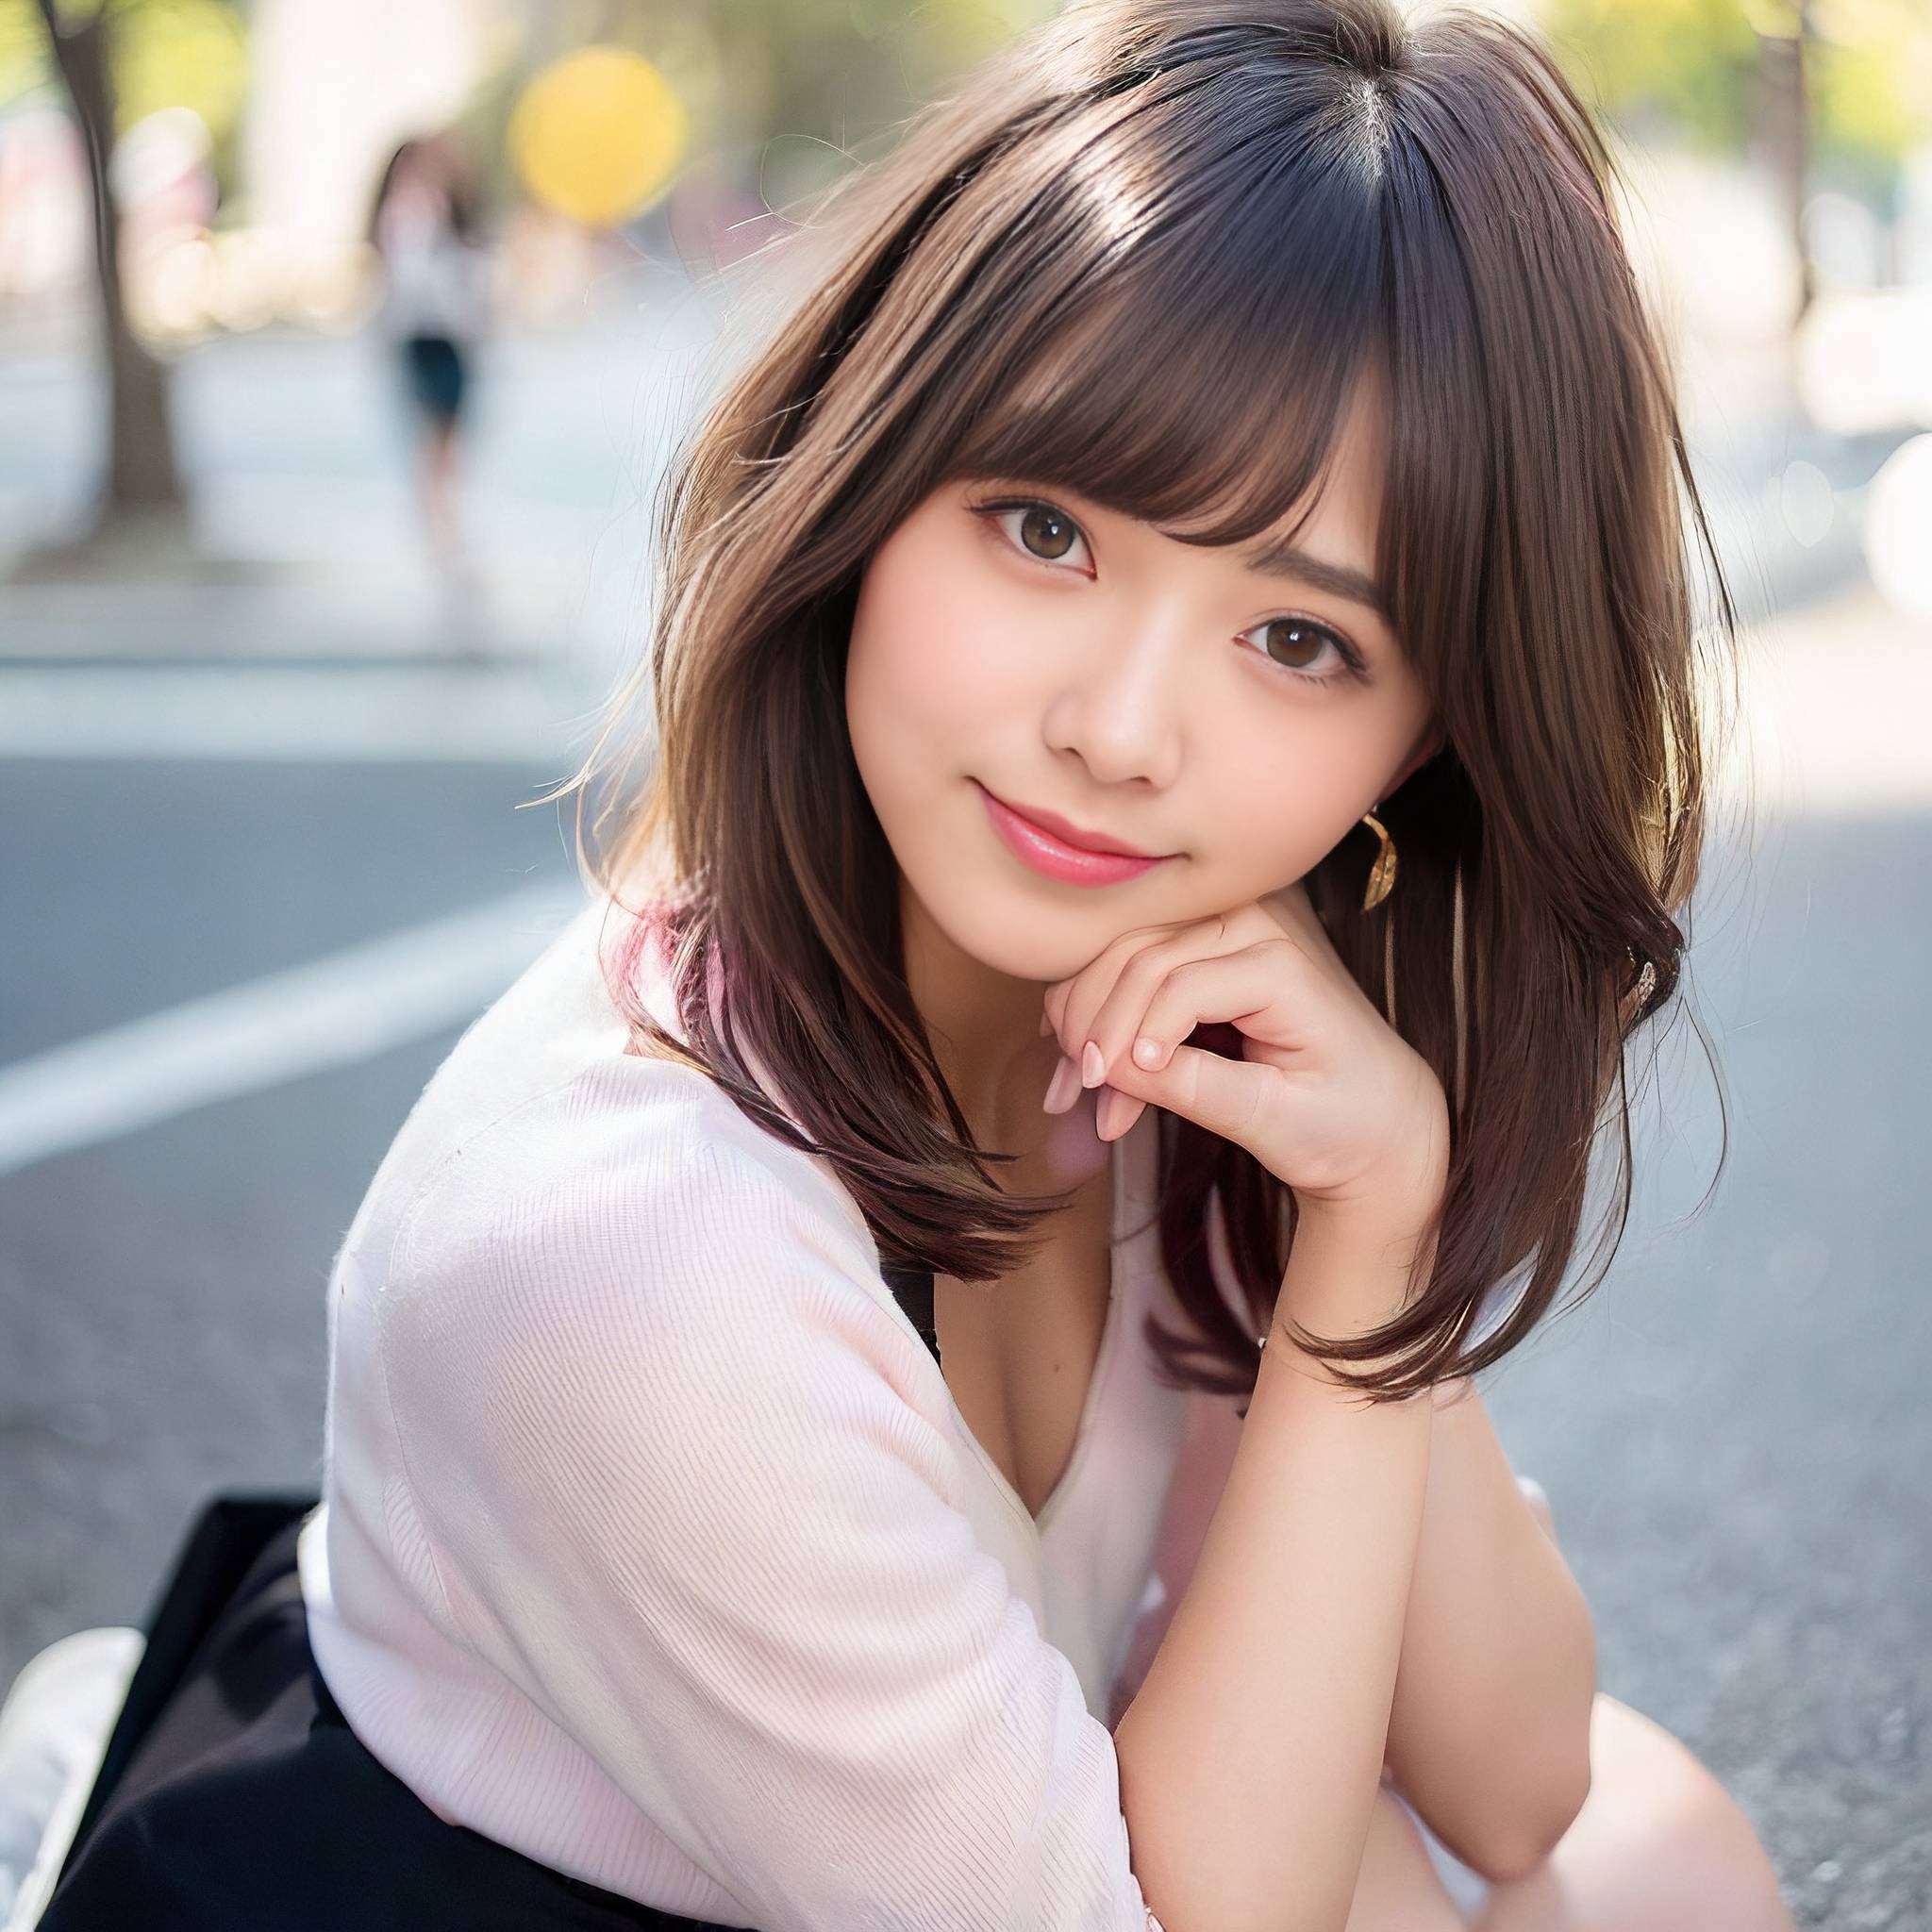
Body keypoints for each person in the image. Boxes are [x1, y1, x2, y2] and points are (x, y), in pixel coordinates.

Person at [22, 1, 1796, 1924]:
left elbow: (1524, 1774)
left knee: (1648, 1852)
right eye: (1046, 529)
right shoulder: (635, 1245)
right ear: (870, 474)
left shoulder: (1171, 1015)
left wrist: (1365, 1219)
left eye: (1297, 643)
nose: (1120, 731)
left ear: (1423, 746)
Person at [365, 130, 491, 601]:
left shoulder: (455, 212)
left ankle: (446, 526)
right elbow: (406, 282)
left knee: (452, 440)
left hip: (454, 339)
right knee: (431, 439)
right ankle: (443, 533)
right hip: (422, 338)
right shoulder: (405, 217)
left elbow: (470, 278)